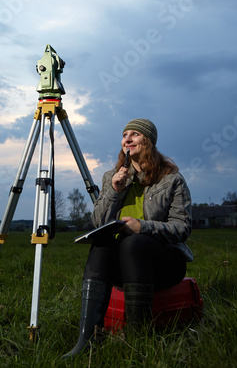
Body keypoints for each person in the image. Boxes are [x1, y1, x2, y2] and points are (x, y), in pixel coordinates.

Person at [63, 118, 193, 358]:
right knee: (102, 242)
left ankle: (138, 339)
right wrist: (115, 191)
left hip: (164, 265)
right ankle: (87, 339)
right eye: (124, 135)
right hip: (124, 269)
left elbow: (182, 228)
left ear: (149, 142)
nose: (127, 138)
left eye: (135, 134)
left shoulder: (171, 180)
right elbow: (99, 223)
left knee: (134, 241)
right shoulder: (112, 177)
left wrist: (142, 227)